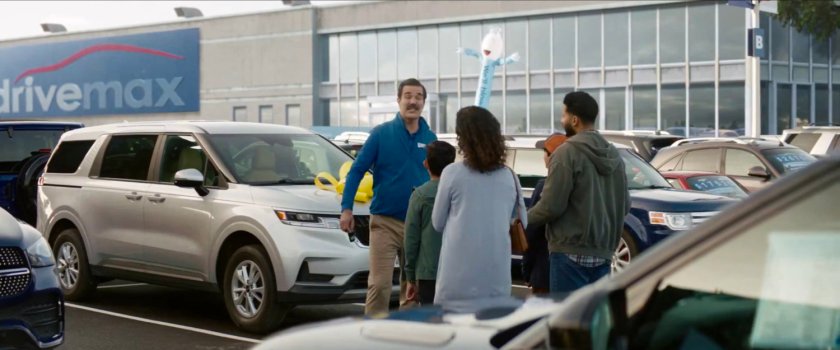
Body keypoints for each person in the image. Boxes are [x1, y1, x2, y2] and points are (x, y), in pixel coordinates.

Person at [339, 78, 438, 316]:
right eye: (408, 96)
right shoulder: (381, 134)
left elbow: (439, 180)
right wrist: (346, 208)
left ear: (424, 102)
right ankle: (373, 337)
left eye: (418, 97)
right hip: (385, 222)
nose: (413, 101)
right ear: (398, 100)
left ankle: (405, 337)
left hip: (421, 224)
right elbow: (356, 171)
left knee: (412, 288)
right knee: (380, 284)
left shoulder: (431, 137)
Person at [527, 91, 630, 293]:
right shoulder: (614, 155)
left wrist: (521, 218)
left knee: (567, 319)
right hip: (604, 253)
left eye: (564, 115)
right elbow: (625, 205)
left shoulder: (566, 153)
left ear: (574, 120)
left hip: (568, 253)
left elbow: (550, 206)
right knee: (592, 319)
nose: (561, 120)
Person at [432, 106, 526, 313]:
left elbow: (437, 223)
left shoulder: (451, 173)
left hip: (456, 279)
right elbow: (523, 223)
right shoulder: (509, 176)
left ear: (463, 139)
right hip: (496, 278)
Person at [404, 141, 456, 306]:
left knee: (432, 323)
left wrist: (411, 277)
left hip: (428, 272)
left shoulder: (420, 195)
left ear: (426, 163)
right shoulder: (460, 193)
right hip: (455, 270)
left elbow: (411, 239)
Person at [522, 133, 567, 296]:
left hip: (544, 270)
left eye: (545, 154)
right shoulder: (580, 186)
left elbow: (532, 232)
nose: (543, 158)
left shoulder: (544, 187)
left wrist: (527, 269)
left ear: (552, 157)